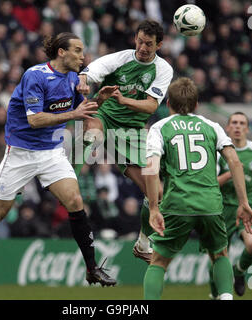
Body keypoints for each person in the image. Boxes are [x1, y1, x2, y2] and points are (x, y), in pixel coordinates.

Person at [0, 32, 117, 287]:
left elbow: (82, 111)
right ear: (61, 52)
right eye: (77, 50)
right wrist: (74, 113)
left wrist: (99, 101)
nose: (83, 56)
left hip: (51, 152)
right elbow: (35, 120)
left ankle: (91, 268)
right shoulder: (35, 76)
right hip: (21, 153)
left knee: (75, 201)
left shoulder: (72, 78)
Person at [143, 77, 252, 300]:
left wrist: (154, 208)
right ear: (196, 105)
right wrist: (244, 203)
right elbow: (235, 162)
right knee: (220, 255)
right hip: (211, 204)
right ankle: (225, 297)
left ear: (169, 104)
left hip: (177, 203)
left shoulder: (160, 127)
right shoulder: (212, 126)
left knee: (158, 262)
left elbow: (151, 166)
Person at [75, 19, 173, 263]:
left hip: (132, 133)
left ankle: (142, 243)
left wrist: (124, 100)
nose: (142, 47)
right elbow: (92, 70)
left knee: (157, 193)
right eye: (139, 41)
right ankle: (67, 177)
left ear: (159, 45)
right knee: (92, 135)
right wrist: (85, 80)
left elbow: (151, 105)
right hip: (104, 116)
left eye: (148, 44)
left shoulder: (163, 69)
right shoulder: (122, 58)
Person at [208, 112, 252, 298]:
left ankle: (238, 271)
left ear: (247, 128)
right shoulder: (218, 151)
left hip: (248, 207)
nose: (237, 126)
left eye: (241, 123)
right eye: (234, 123)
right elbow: (210, 182)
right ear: (228, 127)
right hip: (222, 209)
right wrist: (231, 173)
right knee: (216, 259)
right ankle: (215, 294)